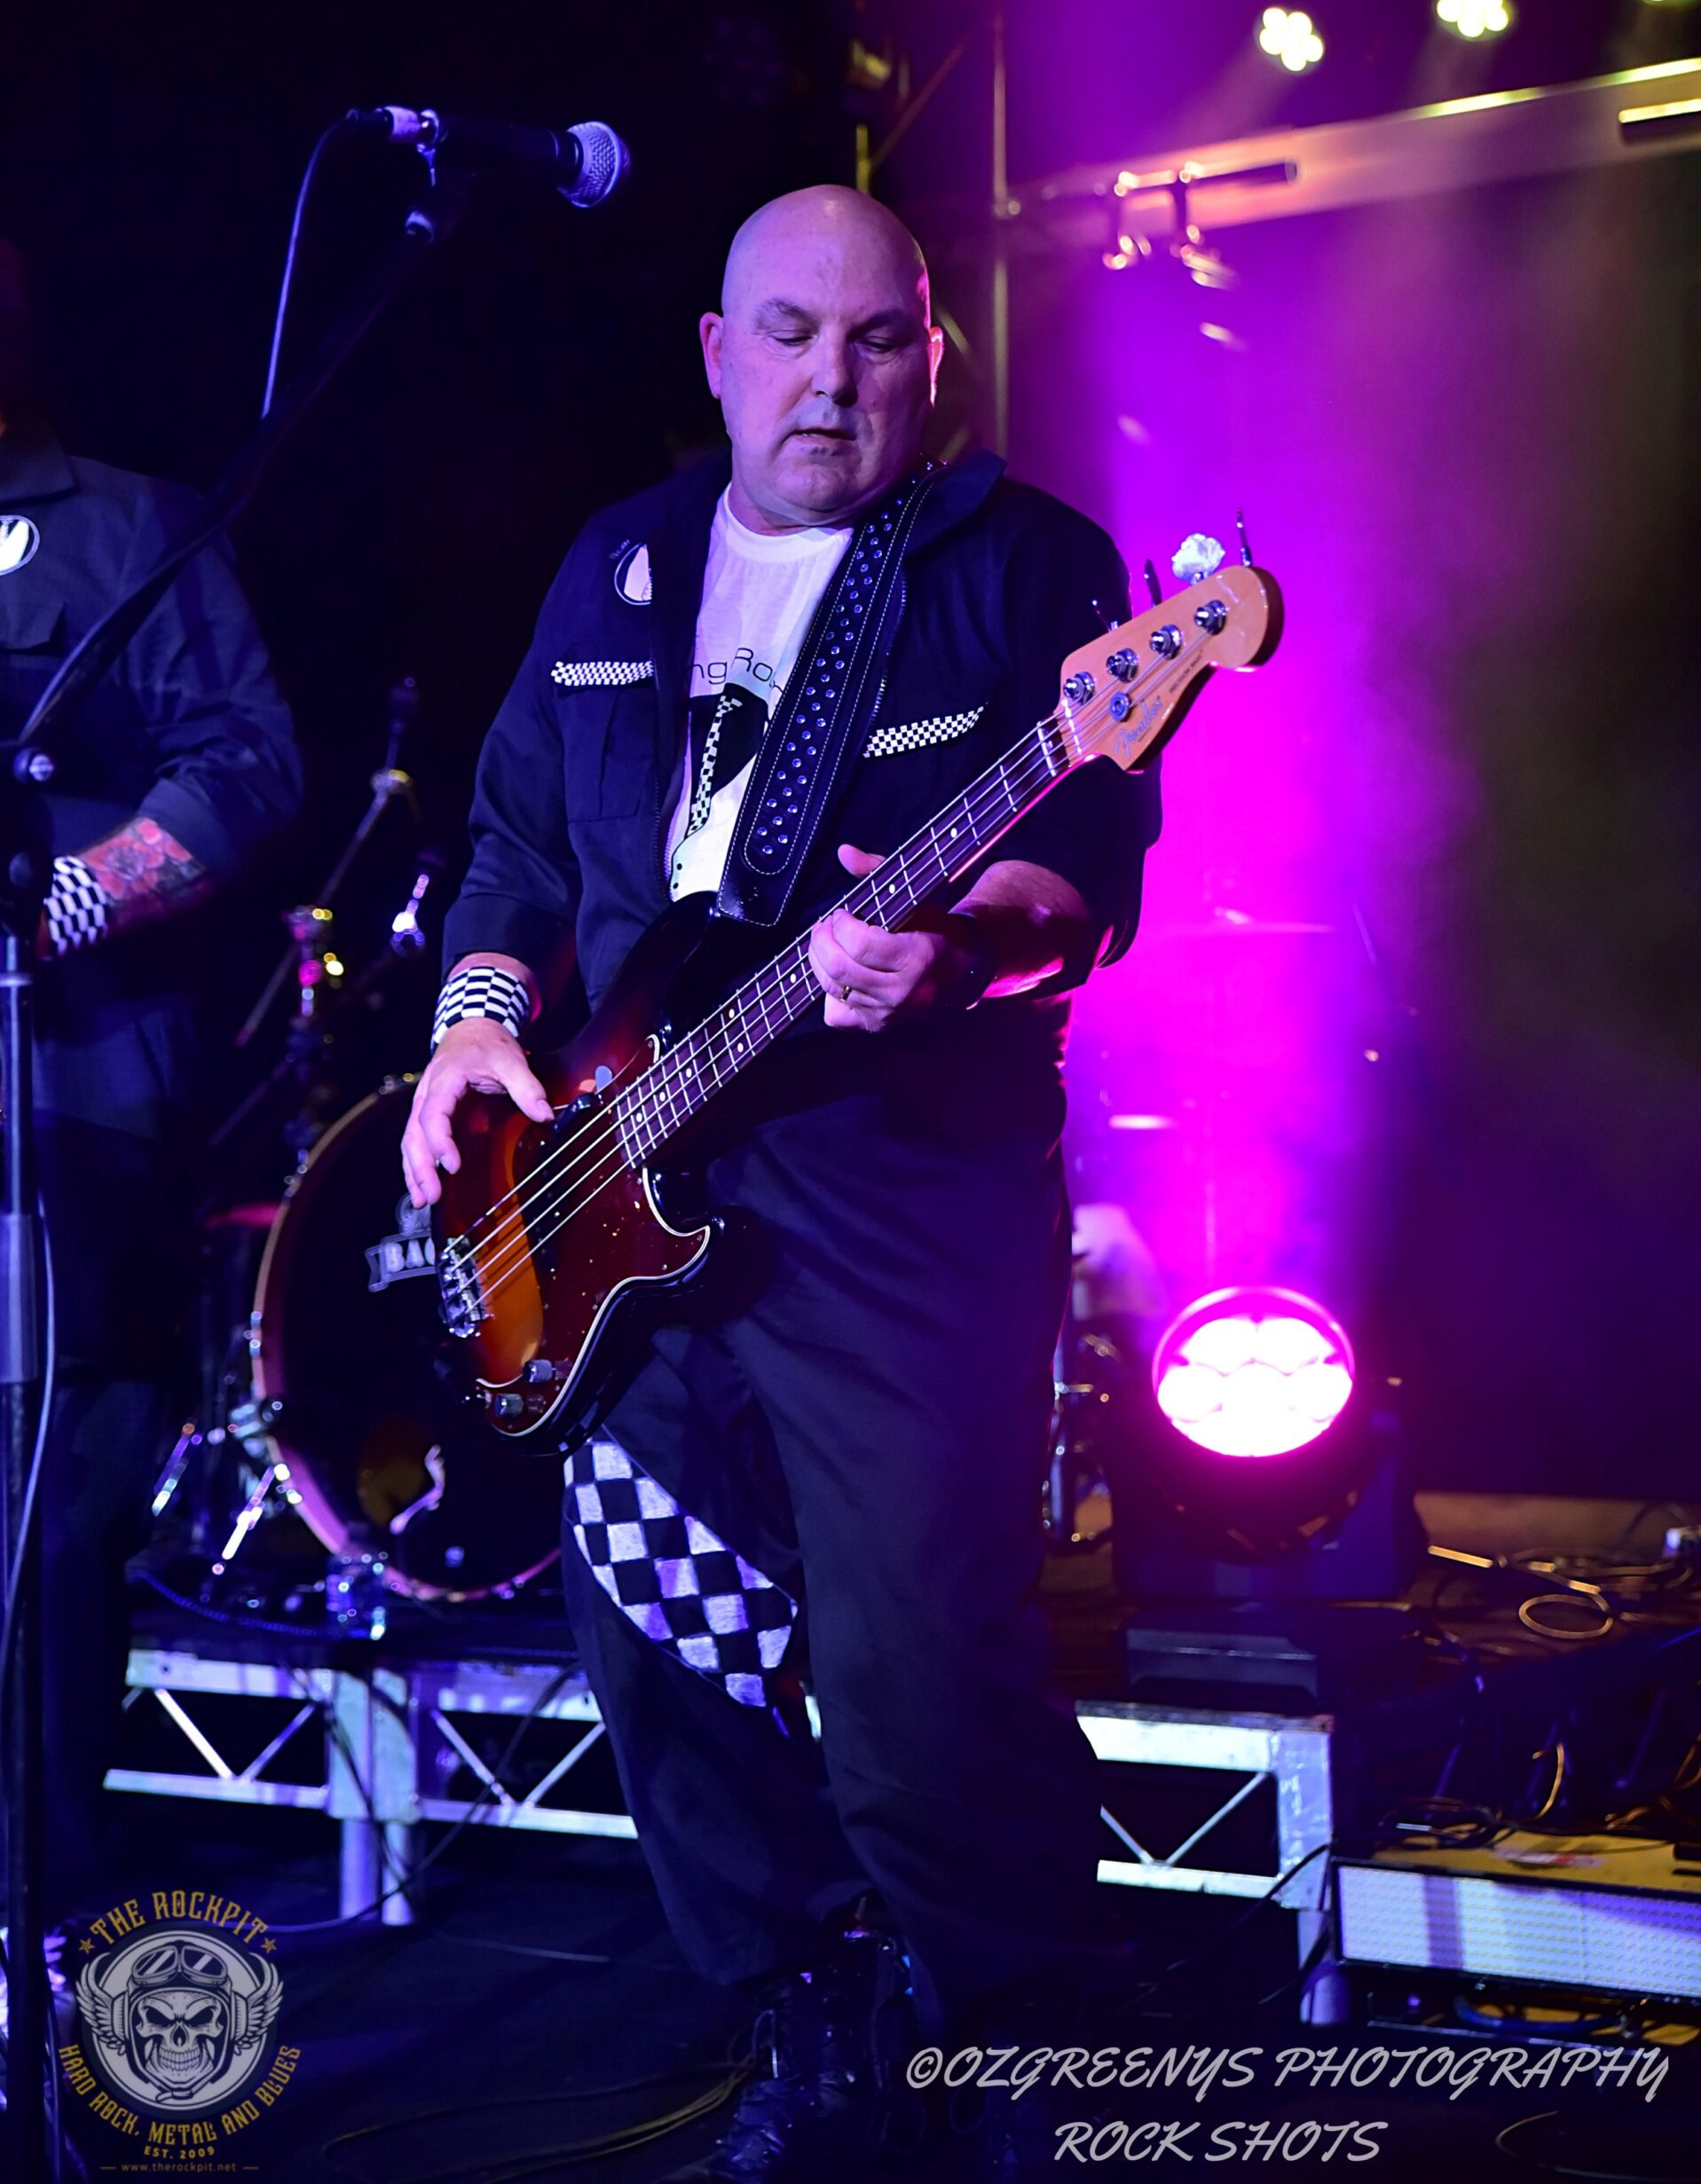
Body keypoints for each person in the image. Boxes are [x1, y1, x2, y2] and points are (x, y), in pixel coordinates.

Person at [402, 187, 1160, 2180]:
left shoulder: (1021, 564)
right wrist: (474, 1027)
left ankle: (1022, 2053)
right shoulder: (618, 560)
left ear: (935, 354)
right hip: (619, 1170)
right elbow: (513, 849)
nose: (832, 380)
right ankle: (801, 2008)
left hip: (896, 1183)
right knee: (659, 1628)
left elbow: (1083, 869)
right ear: (718, 355)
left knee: (920, 1664)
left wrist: (967, 941)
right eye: (792, 336)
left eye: (877, 339)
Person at [0, 238, 303, 1944]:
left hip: (72, 1102)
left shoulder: (119, 526)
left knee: (45, 1531)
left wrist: (55, 904)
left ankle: (42, 1945)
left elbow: (248, 766)